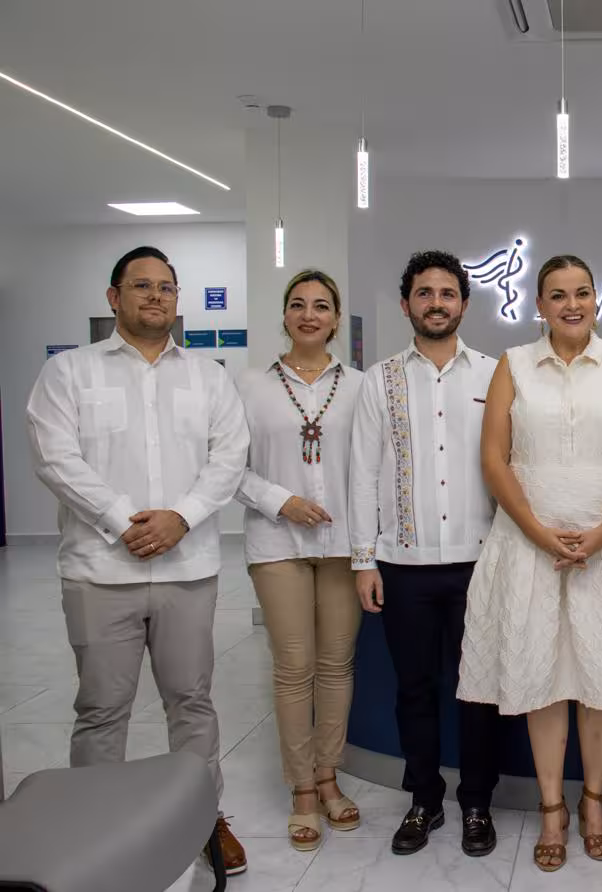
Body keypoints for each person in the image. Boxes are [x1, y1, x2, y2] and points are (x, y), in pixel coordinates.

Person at [26, 245, 251, 874]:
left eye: (166, 288)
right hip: (100, 572)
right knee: (101, 709)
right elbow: (54, 458)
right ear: (114, 297)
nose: (156, 296)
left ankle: (205, 818)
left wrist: (181, 516)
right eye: (142, 285)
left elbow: (229, 456)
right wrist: (122, 519)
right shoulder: (69, 373)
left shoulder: (208, 377)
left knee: (192, 702)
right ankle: (95, 828)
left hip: (187, 569)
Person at [456, 254, 602, 873]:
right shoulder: (513, 364)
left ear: (595, 300)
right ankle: (552, 809)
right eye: (558, 294)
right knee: (540, 680)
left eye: (582, 293)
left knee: (600, 682)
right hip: (528, 545)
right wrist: (536, 531)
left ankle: (593, 803)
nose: (572, 304)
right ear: (539, 305)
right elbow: (493, 457)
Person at [348, 250, 503, 858]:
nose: (436, 303)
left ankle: (477, 803)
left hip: (480, 562)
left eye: (447, 293)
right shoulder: (379, 379)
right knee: (414, 688)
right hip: (403, 565)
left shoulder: (495, 375)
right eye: (424, 293)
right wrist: (364, 559)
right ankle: (424, 799)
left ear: (463, 303)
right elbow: (363, 474)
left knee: (480, 690)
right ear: (406, 303)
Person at [235, 269, 364, 851]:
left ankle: (329, 775)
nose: (309, 314)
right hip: (276, 543)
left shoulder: (360, 386)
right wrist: (280, 501)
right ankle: (303, 789)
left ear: (335, 319)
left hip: (342, 544)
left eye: (321, 306)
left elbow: (374, 464)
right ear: (285, 315)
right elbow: (227, 467)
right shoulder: (249, 386)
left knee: (336, 666)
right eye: (298, 304)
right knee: (294, 667)